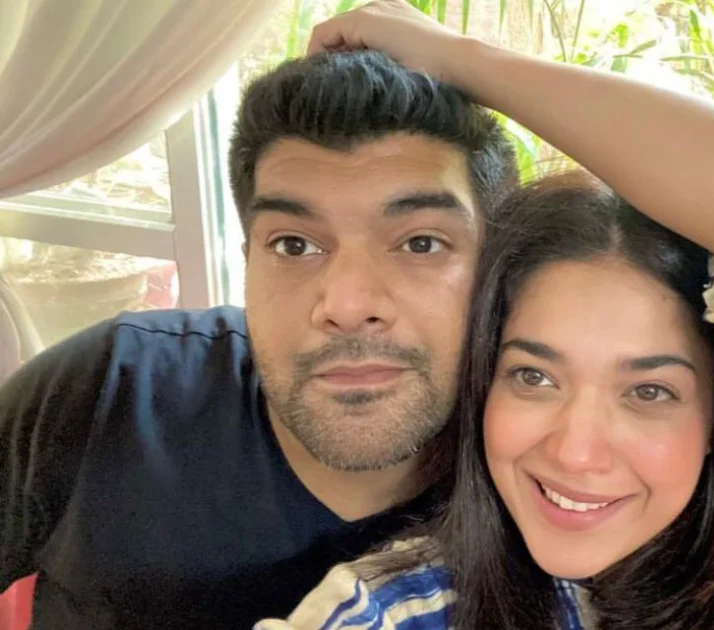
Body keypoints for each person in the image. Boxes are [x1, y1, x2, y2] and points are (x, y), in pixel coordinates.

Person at [256, 2, 714, 628]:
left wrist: (461, 60)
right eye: (533, 376)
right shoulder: (393, 611)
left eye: (649, 391)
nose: (577, 452)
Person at [0, 51, 517, 629]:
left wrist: (471, 61)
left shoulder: (541, 470)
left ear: (497, 267)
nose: (348, 306)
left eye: (421, 243)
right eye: (294, 245)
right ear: (249, 262)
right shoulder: (111, 389)